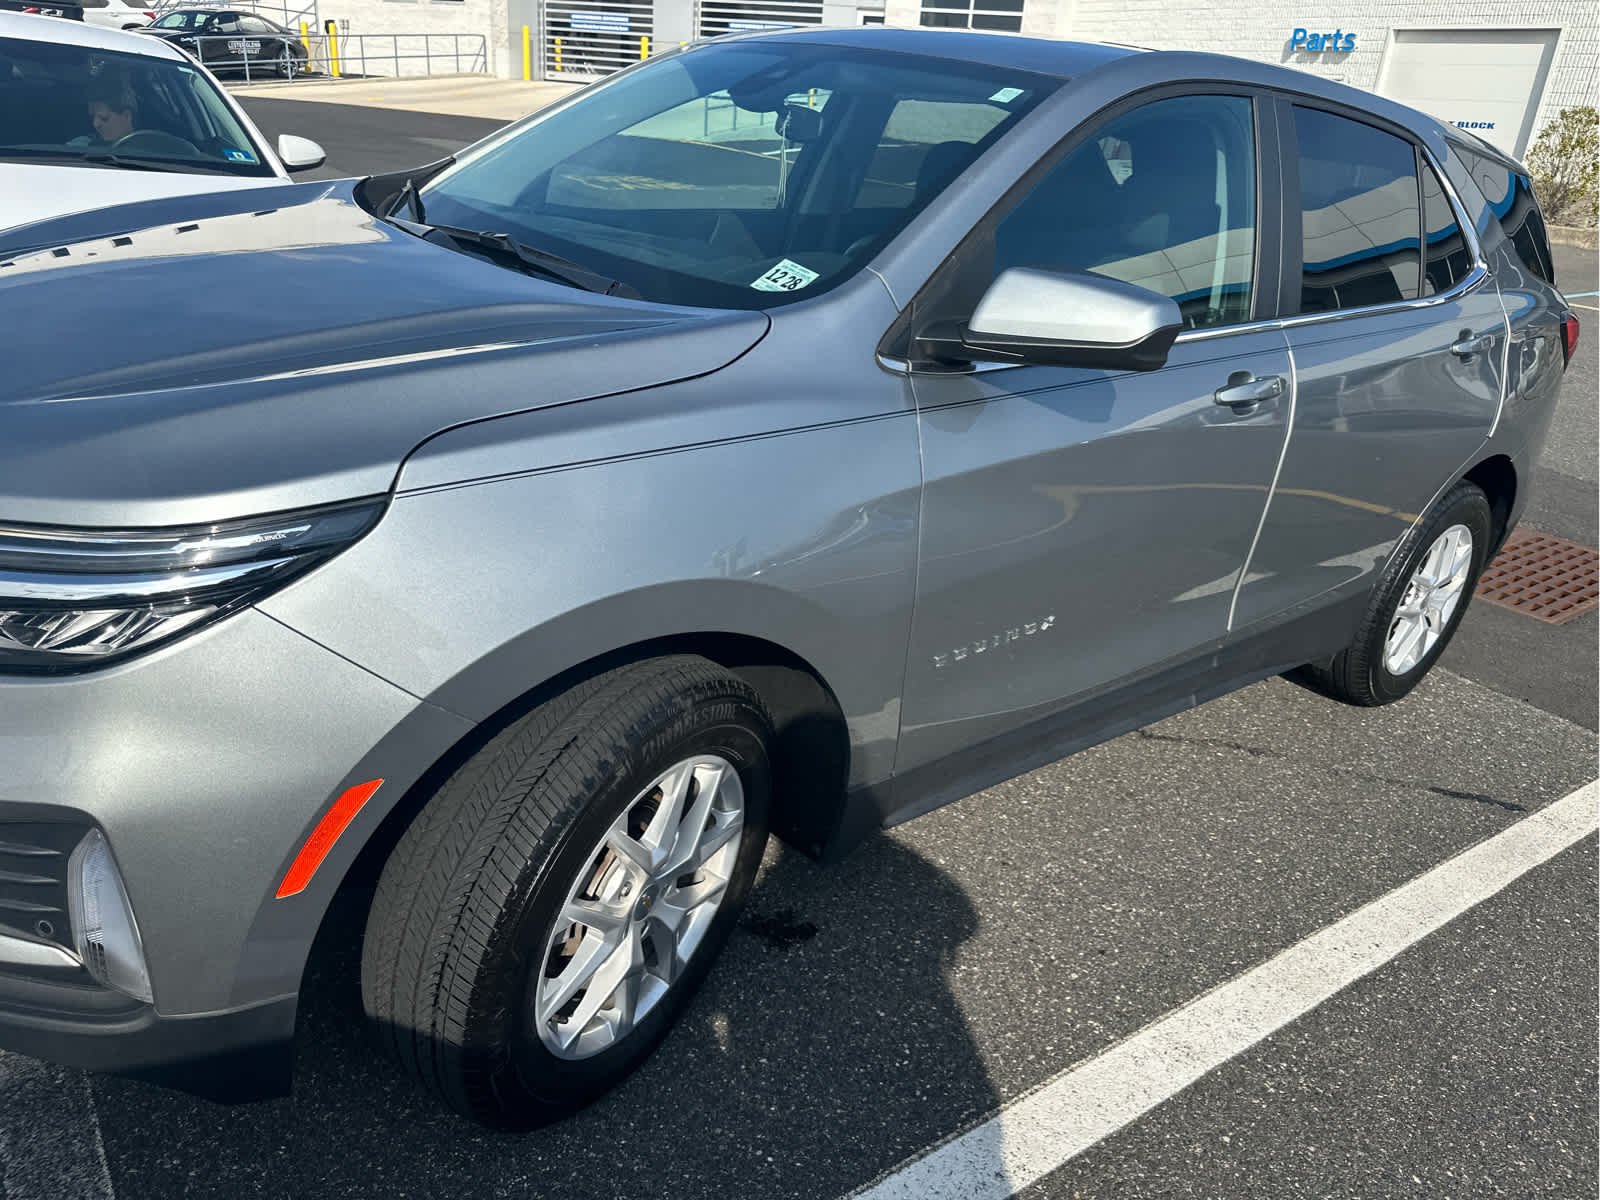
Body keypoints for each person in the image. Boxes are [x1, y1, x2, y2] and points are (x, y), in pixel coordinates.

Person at [86, 76, 137, 144]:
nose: (95, 124)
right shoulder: (84, 147)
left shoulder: (150, 147)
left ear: (127, 116)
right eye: (92, 117)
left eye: (104, 118)